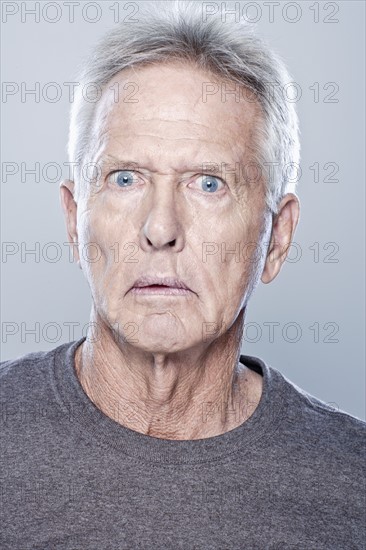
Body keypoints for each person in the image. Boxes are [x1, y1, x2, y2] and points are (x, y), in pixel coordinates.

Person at [1, 1, 364, 548]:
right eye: (125, 178)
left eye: (209, 183)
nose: (161, 228)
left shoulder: (352, 486)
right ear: (75, 221)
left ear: (278, 238)